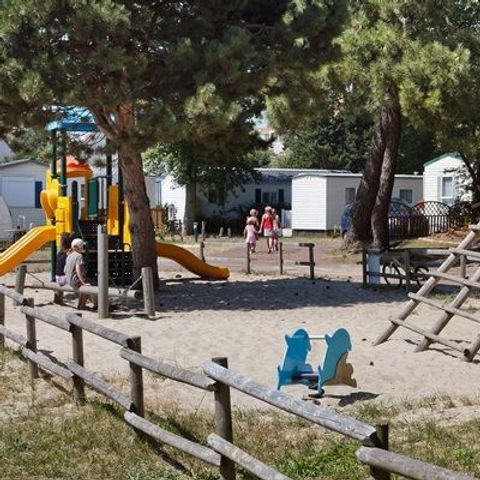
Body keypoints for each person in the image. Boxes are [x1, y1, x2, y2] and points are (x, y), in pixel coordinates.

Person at [64, 238, 97, 310]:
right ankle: (84, 305)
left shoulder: (69, 255)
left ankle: (80, 305)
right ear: (79, 246)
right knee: (89, 286)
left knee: (86, 284)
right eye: (82, 246)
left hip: (68, 280)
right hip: (75, 281)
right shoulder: (79, 256)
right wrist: (83, 282)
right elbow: (78, 269)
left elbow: (65, 269)